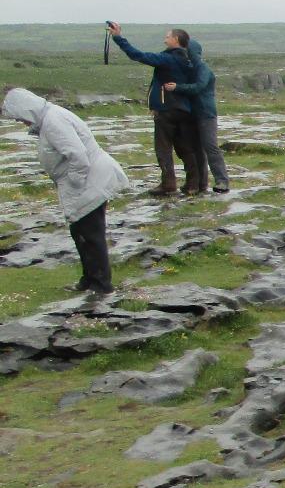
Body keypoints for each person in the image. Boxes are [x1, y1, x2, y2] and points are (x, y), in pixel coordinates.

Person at [2, 87, 131, 295]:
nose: (20, 122)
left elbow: (78, 156)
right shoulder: (50, 119)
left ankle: (101, 285)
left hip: (90, 181)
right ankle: (89, 280)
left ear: (26, 110)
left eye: (19, 117)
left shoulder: (54, 122)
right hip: (86, 181)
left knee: (91, 233)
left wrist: (75, 185)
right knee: (79, 231)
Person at [109, 23, 204, 195]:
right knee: (185, 148)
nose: (164, 39)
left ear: (176, 39)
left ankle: (168, 183)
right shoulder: (188, 61)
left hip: (167, 108)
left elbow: (138, 55)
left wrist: (118, 38)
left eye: (167, 37)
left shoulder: (168, 58)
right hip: (184, 109)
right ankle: (193, 184)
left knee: (163, 148)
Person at [169, 34, 229, 193]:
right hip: (192, 114)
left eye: (186, 50)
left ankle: (222, 181)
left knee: (210, 147)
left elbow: (198, 87)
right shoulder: (190, 69)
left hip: (206, 113)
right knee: (197, 150)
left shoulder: (203, 69)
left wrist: (177, 87)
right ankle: (202, 183)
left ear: (192, 52)